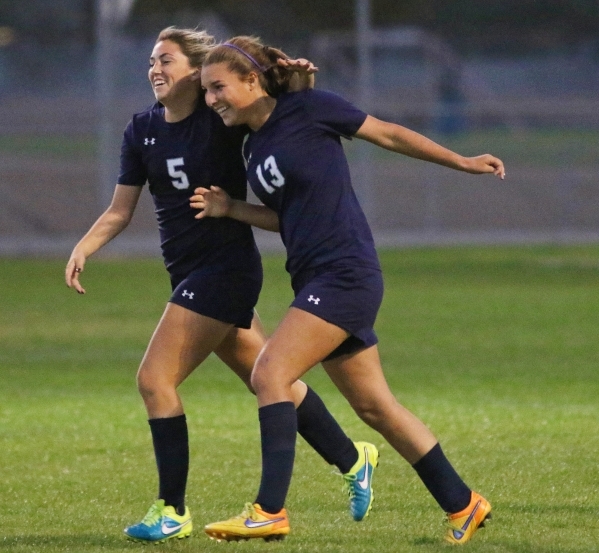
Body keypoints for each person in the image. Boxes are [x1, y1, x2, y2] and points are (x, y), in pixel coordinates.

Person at [65, 26, 380, 544]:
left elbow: (276, 113)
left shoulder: (223, 121)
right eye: (150, 61)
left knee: (154, 380)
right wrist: (85, 246)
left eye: (166, 60)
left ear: (197, 71)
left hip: (225, 269)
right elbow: (120, 210)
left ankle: (172, 509)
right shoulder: (140, 130)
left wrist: (297, 84)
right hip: (187, 271)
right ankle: (353, 459)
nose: (155, 70)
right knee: (267, 377)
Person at [193, 35, 506, 545]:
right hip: (316, 277)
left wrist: (463, 162)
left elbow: (388, 134)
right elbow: (287, 216)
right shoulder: (254, 146)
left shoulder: (309, 108)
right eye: (205, 92)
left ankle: (269, 510)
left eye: (218, 87)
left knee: (269, 372)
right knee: (375, 407)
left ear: (252, 79)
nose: (212, 100)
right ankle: (464, 503)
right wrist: (232, 210)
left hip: (345, 274)